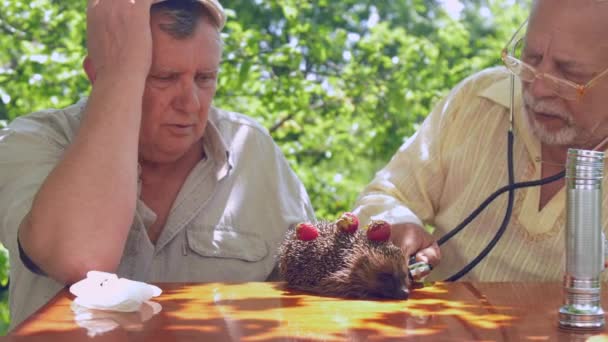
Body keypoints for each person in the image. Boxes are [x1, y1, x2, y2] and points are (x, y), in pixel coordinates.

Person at [0, 0, 314, 329]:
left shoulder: (252, 150)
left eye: (205, 78)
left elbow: (309, 291)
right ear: (97, 75)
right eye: (163, 77)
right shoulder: (33, 143)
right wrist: (121, 75)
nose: (190, 103)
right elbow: (80, 257)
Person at [353, 0, 608, 282]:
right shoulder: (479, 99)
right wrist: (398, 225)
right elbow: (384, 196)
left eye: (569, 74)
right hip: (435, 324)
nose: (538, 87)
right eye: (531, 58)